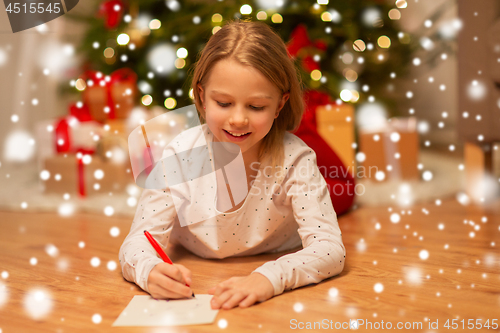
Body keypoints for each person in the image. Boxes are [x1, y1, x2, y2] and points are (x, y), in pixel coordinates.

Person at [119, 19, 345, 310]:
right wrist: (148, 270)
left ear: (280, 104)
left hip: (277, 255)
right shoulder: (180, 154)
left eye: (256, 106)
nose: (238, 119)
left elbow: (330, 250)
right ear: (201, 96)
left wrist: (270, 277)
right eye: (224, 103)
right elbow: (138, 240)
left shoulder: (295, 158)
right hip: (196, 263)